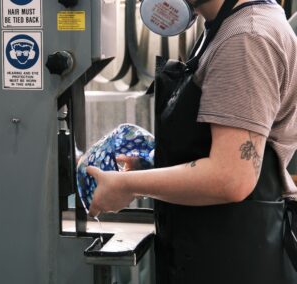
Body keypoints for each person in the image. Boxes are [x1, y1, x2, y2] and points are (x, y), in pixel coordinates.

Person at [86, 0, 297, 283]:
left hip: (229, 258)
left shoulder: (246, 37)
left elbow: (231, 177)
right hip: (209, 246)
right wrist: (151, 164)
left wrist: (127, 186)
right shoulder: (222, 26)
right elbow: (217, 145)